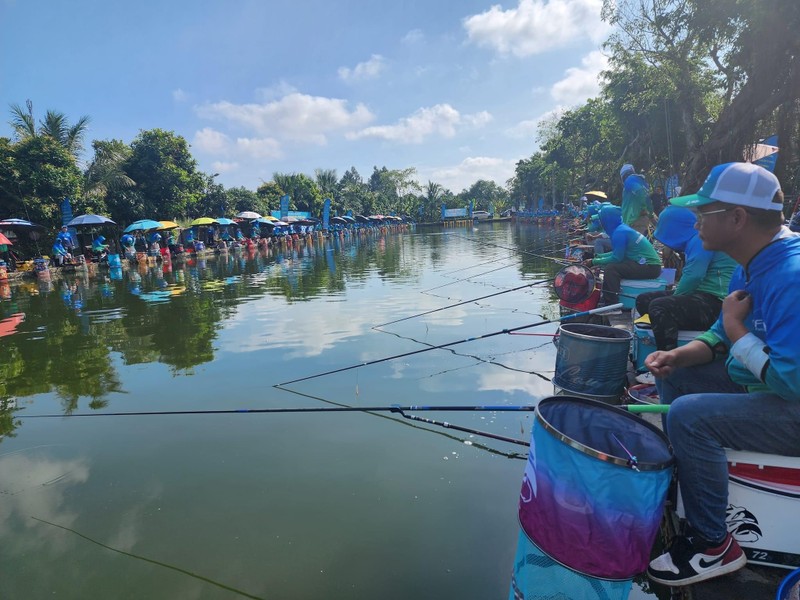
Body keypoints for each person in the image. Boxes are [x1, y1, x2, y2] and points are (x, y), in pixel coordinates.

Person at [645, 162, 800, 587]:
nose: (695, 222)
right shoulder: (748, 263)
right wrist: (677, 355)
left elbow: (791, 381)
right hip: (771, 389)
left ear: (737, 218)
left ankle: (713, 544)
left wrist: (735, 327)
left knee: (690, 415)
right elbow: (717, 338)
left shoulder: (791, 274)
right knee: (677, 379)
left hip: (794, 403)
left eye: (704, 212)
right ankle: (696, 475)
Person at [635, 205, 737, 351]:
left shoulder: (699, 239)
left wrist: (675, 298)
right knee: (643, 300)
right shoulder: (695, 238)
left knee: (659, 307)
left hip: (718, 302)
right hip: (702, 295)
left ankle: (667, 359)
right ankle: (669, 337)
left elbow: (694, 276)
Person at [583, 204, 662, 310]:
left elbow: (617, 258)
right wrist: (598, 256)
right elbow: (618, 253)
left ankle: (611, 306)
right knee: (612, 266)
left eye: (602, 219)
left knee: (612, 269)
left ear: (608, 220)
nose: (601, 222)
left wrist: (594, 262)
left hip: (650, 267)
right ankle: (608, 298)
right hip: (647, 265)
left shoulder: (619, 233)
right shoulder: (621, 229)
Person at [620, 164, 656, 234]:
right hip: (642, 219)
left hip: (633, 219)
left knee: (633, 243)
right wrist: (650, 214)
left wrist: (643, 208)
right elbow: (647, 200)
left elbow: (639, 191)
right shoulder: (643, 183)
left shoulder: (629, 180)